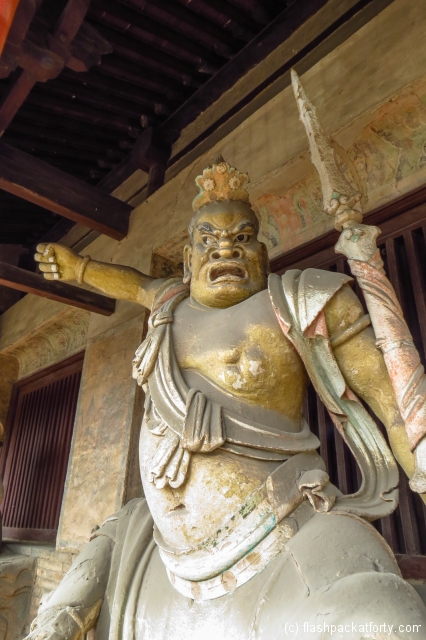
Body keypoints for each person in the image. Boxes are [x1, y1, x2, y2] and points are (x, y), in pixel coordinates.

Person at [28, 160, 426, 640]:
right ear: (189, 260)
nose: (225, 248)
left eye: (241, 237)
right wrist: (80, 269)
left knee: (373, 618)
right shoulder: (169, 304)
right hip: (159, 540)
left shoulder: (299, 299)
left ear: (262, 251)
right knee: (107, 541)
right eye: (208, 240)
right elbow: (132, 282)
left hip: (278, 530)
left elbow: (395, 404)